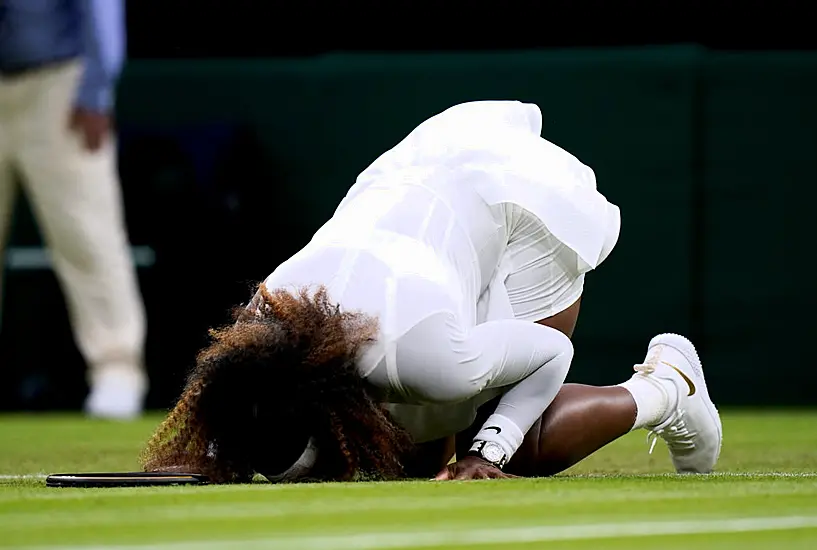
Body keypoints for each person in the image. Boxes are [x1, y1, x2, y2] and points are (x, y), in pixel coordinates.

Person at [141, 101, 722, 482]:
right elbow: (227, 398)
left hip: (516, 197)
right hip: (418, 195)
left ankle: (669, 386)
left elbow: (552, 355)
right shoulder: (260, 334)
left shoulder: (424, 358)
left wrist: (484, 454)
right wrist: (211, 454)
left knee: (518, 440)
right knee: (410, 462)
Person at [0, 0, 147, 418]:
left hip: (59, 87)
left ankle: (117, 370)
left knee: (87, 236)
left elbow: (101, 10)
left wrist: (96, 93)